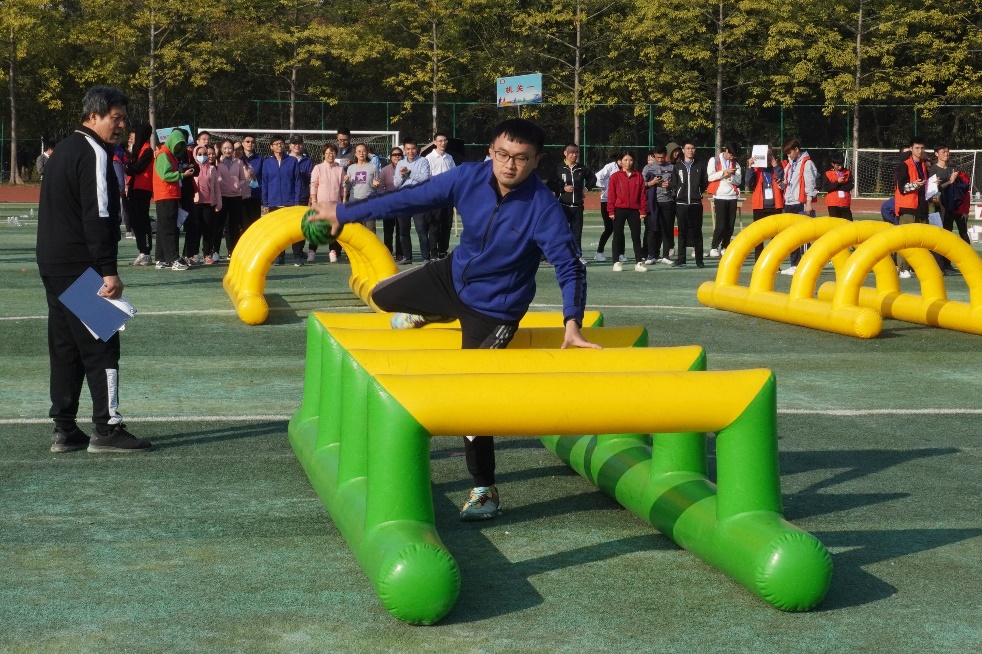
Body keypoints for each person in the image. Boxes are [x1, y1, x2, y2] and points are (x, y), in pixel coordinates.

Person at [307, 118, 598, 520]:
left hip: (495, 309)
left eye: (521, 158)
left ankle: (484, 488)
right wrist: (343, 211)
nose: (509, 164)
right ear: (490, 151)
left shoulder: (543, 208)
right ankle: (431, 311)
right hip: (453, 277)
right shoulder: (468, 177)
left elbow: (569, 265)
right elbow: (410, 198)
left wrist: (572, 322)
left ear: (536, 161)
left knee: (470, 396)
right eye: (502, 154)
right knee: (383, 296)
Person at [36, 85, 151, 453]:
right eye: (115, 118)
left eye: (123, 119)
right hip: (79, 265)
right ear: (93, 116)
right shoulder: (94, 152)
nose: (121, 125)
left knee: (66, 348)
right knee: (103, 345)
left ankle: (64, 428)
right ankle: (107, 428)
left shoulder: (63, 150)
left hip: (53, 263)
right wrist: (108, 270)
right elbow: (99, 214)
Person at [153, 128, 195, 270]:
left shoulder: (167, 154)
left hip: (167, 195)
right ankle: (174, 259)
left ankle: (162, 259)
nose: (179, 149)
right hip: (167, 195)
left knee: (164, 228)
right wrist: (182, 175)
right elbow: (165, 175)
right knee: (170, 228)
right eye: (178, 145)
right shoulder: (164, 154)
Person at [778, 138, 819, 275]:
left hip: (801, 202)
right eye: (787, 153)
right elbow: (787, 182)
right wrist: (781, 184)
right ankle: (794, 264)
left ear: (796, 149)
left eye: (790, 152)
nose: (788, 155)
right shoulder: (790, 164)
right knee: (792, 235)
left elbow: (810, 183)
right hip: (789, 202)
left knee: (803, 235)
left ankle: (806, 265)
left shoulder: (807, 163)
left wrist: (809, 202)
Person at [548, 143, 595, 263]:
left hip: (578, 206)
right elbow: (550, 184)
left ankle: (577, 256)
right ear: (565, 153)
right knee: (560, 232)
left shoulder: (581, 168)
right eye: (572, 152)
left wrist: (587, 188)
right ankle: (556, 255)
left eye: (576, 152)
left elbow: (593, 178)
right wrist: (563, 188)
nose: (575, 155)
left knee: (577, 234)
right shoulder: (559, 168)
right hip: (563, 205)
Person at [261, 135, 303, 266]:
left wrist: (297, 201)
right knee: (277, 231)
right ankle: (279, 257)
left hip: (291, 202)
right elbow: (265, 183)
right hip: (273, 202)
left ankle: (297, 256)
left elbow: (298, 182)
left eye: (281, 143)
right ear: (271, 147)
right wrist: (265, 203)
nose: (279, 146)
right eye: (276, 144)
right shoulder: (267, 163)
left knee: (294, 230)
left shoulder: (292, 161)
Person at [894, 136, 930, 279]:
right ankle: (902, 268)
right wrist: (915, 185)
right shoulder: (904, 165)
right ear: (911, 149)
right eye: (917, 148)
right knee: (906, 238)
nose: (920, 151)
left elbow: (926, 185)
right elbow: (902, 187)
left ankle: (916, 266)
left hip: (922, 206)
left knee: (921, 239)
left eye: (922, 148)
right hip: (908, 207)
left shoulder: (924, 165)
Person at [607, 151, 648, 272]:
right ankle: (616, 262)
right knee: (617, 235)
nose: (628, 163)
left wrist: (643, 209)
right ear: (620, 161)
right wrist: (611, 210)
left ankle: (638, 262)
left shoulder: (638, 176)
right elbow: (611, 195)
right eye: (625, 160)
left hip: (634, 210)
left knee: (636, 236)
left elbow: (642, 195)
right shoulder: (615, 177)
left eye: (630, 160)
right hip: (619, 209)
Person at [669, 141, 708, 268]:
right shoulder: (677, 166)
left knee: (697, 232)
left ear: (694, 150)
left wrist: (698, 192)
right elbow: (674, 183)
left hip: (696, 203)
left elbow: (704, 182)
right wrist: (678, 193)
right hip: (681, 203)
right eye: (688, 148)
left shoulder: (700, 165)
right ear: (683, 150)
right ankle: (681, 259)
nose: (690, 150)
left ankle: (699, 260)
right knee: (682, 231)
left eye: (692, 148)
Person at [394, 136, 432, 262]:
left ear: (417, 149)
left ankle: (426, 257)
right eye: (408, 149)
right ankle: (407, 257)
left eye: (413, 148)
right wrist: (402, 175)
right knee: (403, 231)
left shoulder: (423, 161)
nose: (410, 151)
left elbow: (424, 179)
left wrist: (409, 173)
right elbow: (396, 184)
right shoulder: (400, 163)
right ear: (404, 150)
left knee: (421, 230)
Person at [744, 148, 785, 261]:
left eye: (770, 156)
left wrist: (776, 166)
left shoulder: (778, 168)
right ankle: (758, 263)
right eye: (766, 156)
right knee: (758, 238)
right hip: (760, 207)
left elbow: (783, 179)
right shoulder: (756, 169)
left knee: (776, 239)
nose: (767, 158)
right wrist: (750, 167)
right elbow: (748, 183)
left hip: (775, 207)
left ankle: (775, 264)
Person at [309, 143, 346, 262]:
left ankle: (333, 251)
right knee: (317, 228)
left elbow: (343, 187)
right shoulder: (318, 168)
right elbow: (314, 185)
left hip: (335, 204)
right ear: (324, 154)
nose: (331, 155)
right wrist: (314, 201)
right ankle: (312, 251)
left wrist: (343, 200)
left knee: (333, 228)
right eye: (328, 153)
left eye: (333, 153)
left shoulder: (340, 169)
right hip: (321, 204)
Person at [424, 132, 458, 258]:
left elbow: (454, 175)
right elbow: (427, 178)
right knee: (434, 226)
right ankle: (433, 253)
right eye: (440, 141)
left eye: (445, 141)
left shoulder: (449, 158)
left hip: (447, 198)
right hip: (436, 197)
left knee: (446, 225)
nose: (443, 143)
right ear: (435, 142)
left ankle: (443, 251)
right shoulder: (429, 158)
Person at [126, 123, 155, 265]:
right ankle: (142, 251)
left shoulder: (147, 150)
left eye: (136, 133)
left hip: (143, 189)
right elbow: (132, 167)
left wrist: (129, 167)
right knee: (135, 221)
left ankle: (147, 252)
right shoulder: (137, 150)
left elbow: (137, 168)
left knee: (143, 221)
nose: (133, 136)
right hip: (134, 188)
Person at [707, 144, 743, 257]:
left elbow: (738, 181)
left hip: (732, 196)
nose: (732, 157)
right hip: (720, 195)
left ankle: (725, 246)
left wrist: (731, 177)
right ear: (726, 150)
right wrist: (724, 173)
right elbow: (710, 177)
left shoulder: (736, 164)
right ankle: (714, 247)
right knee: (721, 224)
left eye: (734, 155)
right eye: (731, 154)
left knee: (730, 225)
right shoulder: (714, 160)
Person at [647, 145, 676, 264]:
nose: (660, 160)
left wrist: (670, 185)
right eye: (657, 157)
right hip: (653, 203)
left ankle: (666, 256)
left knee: (667, 229)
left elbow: (678, 184)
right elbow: (641, 184)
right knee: (652, 229)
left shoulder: (672, 167)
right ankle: (651, 255)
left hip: (667, 202)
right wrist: (651, 183)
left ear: (666, 156)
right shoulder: (648, 168)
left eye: (662, 157)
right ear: (654, 156)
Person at [195, 145, 223, 265]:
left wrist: (219, 203)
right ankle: (193, 255)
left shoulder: (212, 169)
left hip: (208, 203)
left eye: (204, 154)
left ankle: (207, 254)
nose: (203, 156)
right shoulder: (193, 168)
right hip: (195, 203)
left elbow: (216, 188)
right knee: (195, 230)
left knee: (208, 229)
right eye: (199, 154)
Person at [344, 143, 381, 232]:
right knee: (356, 231)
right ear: (355, 154)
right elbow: (347, 187)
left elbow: (378, 185)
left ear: (367, 153)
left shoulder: (373, 167)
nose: (361, 153)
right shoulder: (351, 168)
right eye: (359, 151)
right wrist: (346, 182)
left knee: (370, 230)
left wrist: (376, 184)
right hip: (354, 202)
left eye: (363, 151)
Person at [379, 146, 405, 259]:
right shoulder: (384, 170)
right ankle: (388, 253)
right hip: (389, 205)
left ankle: (400, 253)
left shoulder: (407, 168)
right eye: (394, 155)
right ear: (390, 157)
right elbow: (380, 187)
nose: (397, 157)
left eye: (399, 155)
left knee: (401, 230)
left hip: (403, 204)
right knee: (388, 231)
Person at [593, 156, 620, 262]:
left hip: (620, 202)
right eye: (624, 160)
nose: (627, 162)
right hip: (606, 201)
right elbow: (597, 177)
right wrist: (605, 187)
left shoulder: (626, 170)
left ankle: (620, 253)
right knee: (609, 228)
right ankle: (599, 252)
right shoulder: (610, 167)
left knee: (619, 228)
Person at [241, 134, 264, 231]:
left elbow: (263, 177)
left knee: (255, 224)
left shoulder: (260, 158)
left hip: (255, 195)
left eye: (253, 142)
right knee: (242, 224)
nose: (250, 144)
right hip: (241, 196)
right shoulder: (238, 157)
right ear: (242, 143)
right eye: (248, 141)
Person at [822, 152, 854, 220]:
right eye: (837, 165)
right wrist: (838, 182)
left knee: (848, 222)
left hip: (845, 202)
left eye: (841, 164)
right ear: (832, 164)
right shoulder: (828, 173)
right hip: (833, 203)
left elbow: (851, 185)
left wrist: (840, 187)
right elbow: (826, 188)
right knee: (835, 222)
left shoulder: (848, 172)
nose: (840, 167)